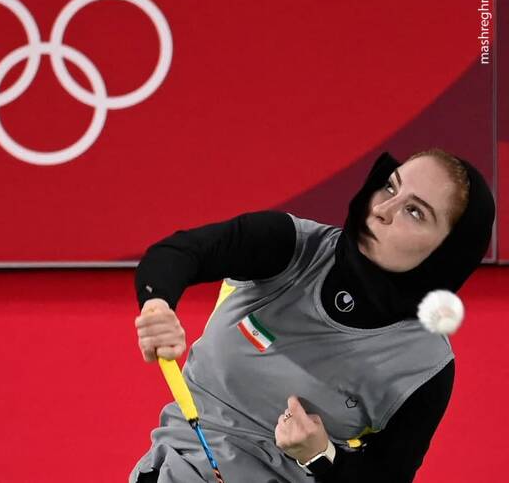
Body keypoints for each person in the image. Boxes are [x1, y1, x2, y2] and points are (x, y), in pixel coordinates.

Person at [130, 149, 495, 483]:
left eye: (414, 212)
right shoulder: (293, 247)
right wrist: (157, 306)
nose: (382, 209)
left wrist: (322, 455)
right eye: (390, 187)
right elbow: (181, 252)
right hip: (184, 465)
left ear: (448, 252)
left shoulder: (424, 368)